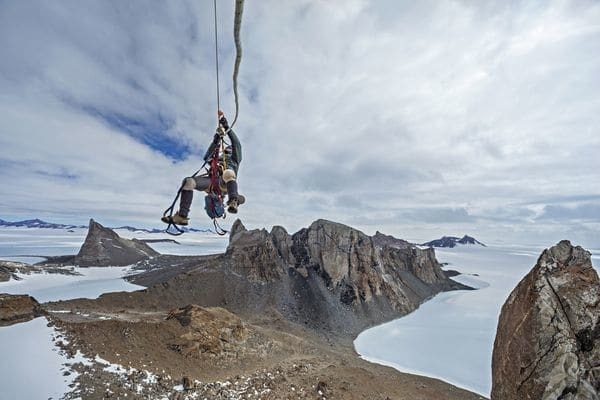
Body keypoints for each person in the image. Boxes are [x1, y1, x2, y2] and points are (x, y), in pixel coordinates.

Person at [162, 112, 244, 226]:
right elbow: (207, 157)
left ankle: (233, 200)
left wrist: (227, 127)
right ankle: (182, 216)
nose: (227, 151)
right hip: (211, 182)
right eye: (226, 150)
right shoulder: (217, 159)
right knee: (188, 182)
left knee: (228, 173)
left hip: (224, 183)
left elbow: (237, 144)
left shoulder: (235, 159)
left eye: (229, 150)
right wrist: (215, 141)